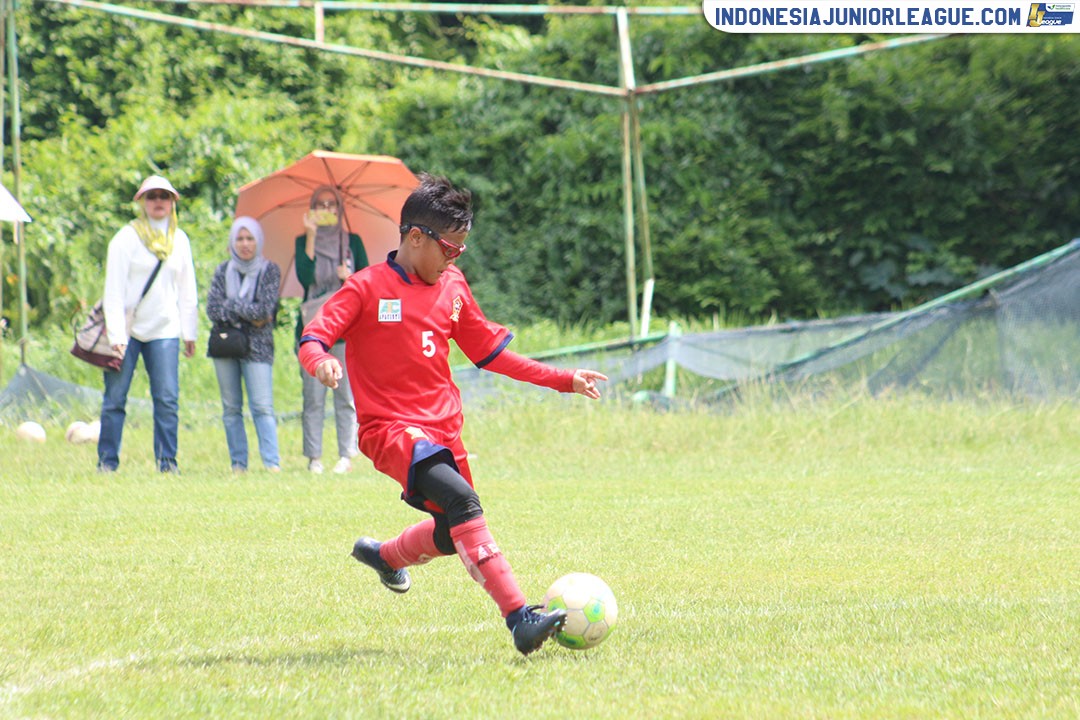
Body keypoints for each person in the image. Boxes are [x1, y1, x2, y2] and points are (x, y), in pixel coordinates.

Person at [298, 174, 609, 656]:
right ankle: (520, 619)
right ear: (415, 237)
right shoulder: (366, 288)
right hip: (391, 430)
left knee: (449, 532)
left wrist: (563, 378)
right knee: (463, 502)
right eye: (449, 248)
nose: (454, 259)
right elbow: (313, 336)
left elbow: (491, 354)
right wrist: (320, 362)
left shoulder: (453, 287)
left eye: (461, 249)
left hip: (444, 432)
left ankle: (385, 555)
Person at [98, 174, 198, 473]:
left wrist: (189, 332)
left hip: (165, 329)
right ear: (142, 201)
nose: (158, 202)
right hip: (127, 331)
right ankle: (107, 462)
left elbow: (187, 290)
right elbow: (113, 291)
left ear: (172, 202)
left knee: (167, 399)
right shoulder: (125, 239)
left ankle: (167, 462)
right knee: (115, 399)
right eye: (152, 196)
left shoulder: (179, 240)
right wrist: (116, 334)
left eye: (164, 196)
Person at [294, 185, 366, 475]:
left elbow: (367, 284)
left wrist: (350, 277)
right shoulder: (303, 240)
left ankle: (346, 454)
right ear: (313, 209)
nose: (326, 209)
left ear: (339, 208)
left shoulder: (353, 242)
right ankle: (314, 457)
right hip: (314, 328)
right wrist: (311, 235)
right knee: (312, 397)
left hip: (347, 329)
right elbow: (304, 278)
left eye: (331, 204)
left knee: (345, 394)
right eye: (320, 205)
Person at [206, 216, 282, 473]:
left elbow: (265, 310)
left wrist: (232, 305)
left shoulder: (269, 270)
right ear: (232, 242)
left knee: (262, 406)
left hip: (258, 348)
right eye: (239, 238)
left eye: (250, 238)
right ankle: (238, 464)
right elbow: (213, 310)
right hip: (225, 346)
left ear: (258, 241)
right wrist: (248, 312)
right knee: (231, 408)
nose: (245, 244)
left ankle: (271, 463)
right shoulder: (222, 270)